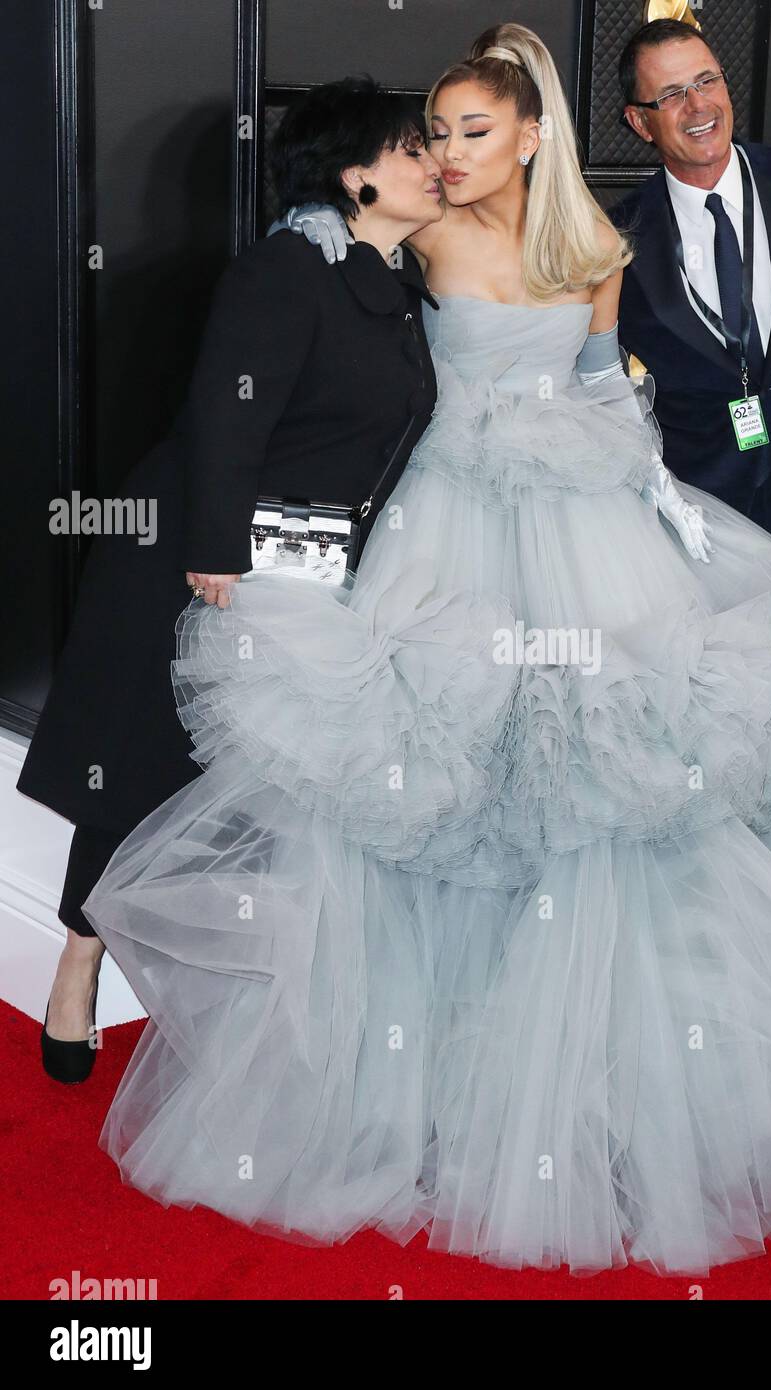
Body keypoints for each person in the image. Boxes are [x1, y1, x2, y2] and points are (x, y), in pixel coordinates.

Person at [82, 24, 771, 1278]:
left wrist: (669, 515)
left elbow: (618, 396)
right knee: (458, 765)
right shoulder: (415, 242)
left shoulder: (601, 250)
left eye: (467, 131)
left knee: (633, 760)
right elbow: (333, 307)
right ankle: (425, 1071)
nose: (443, 154)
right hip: (448, 532)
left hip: (594, 522)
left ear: (528, 137)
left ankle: (663, 1069)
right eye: (433, 133)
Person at [17, 76, 444, 1082]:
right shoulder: (290, 266)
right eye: (410, 147)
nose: (432, 161)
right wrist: (216, 554)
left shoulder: (397, 280)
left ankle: (245, 1002)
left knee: (256, 793)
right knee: (140, 771)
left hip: (307, 571)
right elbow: (227, 412)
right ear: (356, 175)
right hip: (197, 565)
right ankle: (79, 957)